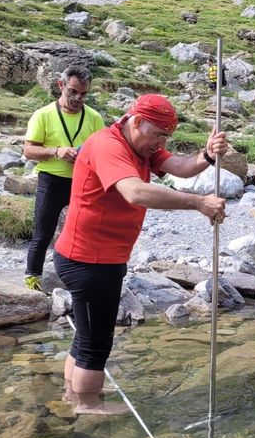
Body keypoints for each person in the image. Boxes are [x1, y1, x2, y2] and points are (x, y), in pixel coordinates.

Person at [54, 94, 228, 414]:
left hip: (100, 257)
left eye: (167, 137)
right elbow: (134, 192)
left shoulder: (140, 144)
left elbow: (180, 166)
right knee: (96, 343)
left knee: (86, 335)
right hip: (89, 259)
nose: (161, 143)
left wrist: (206, 154)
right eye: (159, 135)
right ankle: (88, 406)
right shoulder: (108, 146)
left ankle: (72, 397)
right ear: (137, 123)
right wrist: (198, 203)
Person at [22, 66, 104, 291]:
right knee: (43, 232)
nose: (78, 98)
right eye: (73, 91)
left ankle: (84, 277)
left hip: (84, 181)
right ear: (61, 85)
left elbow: (103, 150)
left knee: (87, 231)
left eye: (84, 94)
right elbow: (29, 151)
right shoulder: (43, 114)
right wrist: (56, 151)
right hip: (52, 180)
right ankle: (32, 280)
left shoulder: (94, 118)